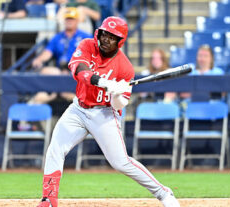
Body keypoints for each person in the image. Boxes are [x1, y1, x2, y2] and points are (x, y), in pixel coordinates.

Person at [36, 16, 180, 207]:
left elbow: (120, 106)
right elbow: (79, 70)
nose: (106, 39)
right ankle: (49, 199)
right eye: (105, 34)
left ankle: (164, 193)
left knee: (120, 162)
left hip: (104, 114)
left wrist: (117, 94)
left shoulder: (125, 68)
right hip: (78, 109)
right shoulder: (87, 45)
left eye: (112, 37)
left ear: (120, 41)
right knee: (55, 149)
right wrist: (103, 82)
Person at [32, 7, 92, 71]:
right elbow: (48, 52)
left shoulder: (85, 37)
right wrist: (39, 59)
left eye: (72, 19)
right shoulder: (57, 37)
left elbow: (94, 54)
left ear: (77, 21)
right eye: (67, 19)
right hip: (61, 69)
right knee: (46, 71)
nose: (69, 21)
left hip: (79, 69)